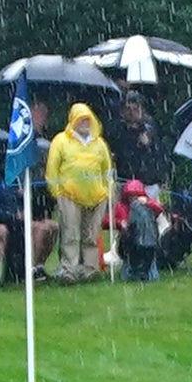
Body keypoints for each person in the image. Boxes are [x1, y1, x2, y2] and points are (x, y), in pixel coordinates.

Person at [47, 100, 117, 283]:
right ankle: (68, 270)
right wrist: (57, 192)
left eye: (87, 119)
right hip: (69, 195)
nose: (84, 123)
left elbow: (107, 169)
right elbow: (52, 169)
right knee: (71, 234)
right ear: (73, 120)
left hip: (97, 196)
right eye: (81, 119)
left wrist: (107, 191)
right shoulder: (61, 141)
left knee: (91, 235)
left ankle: (90, 269)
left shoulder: (99, 143)